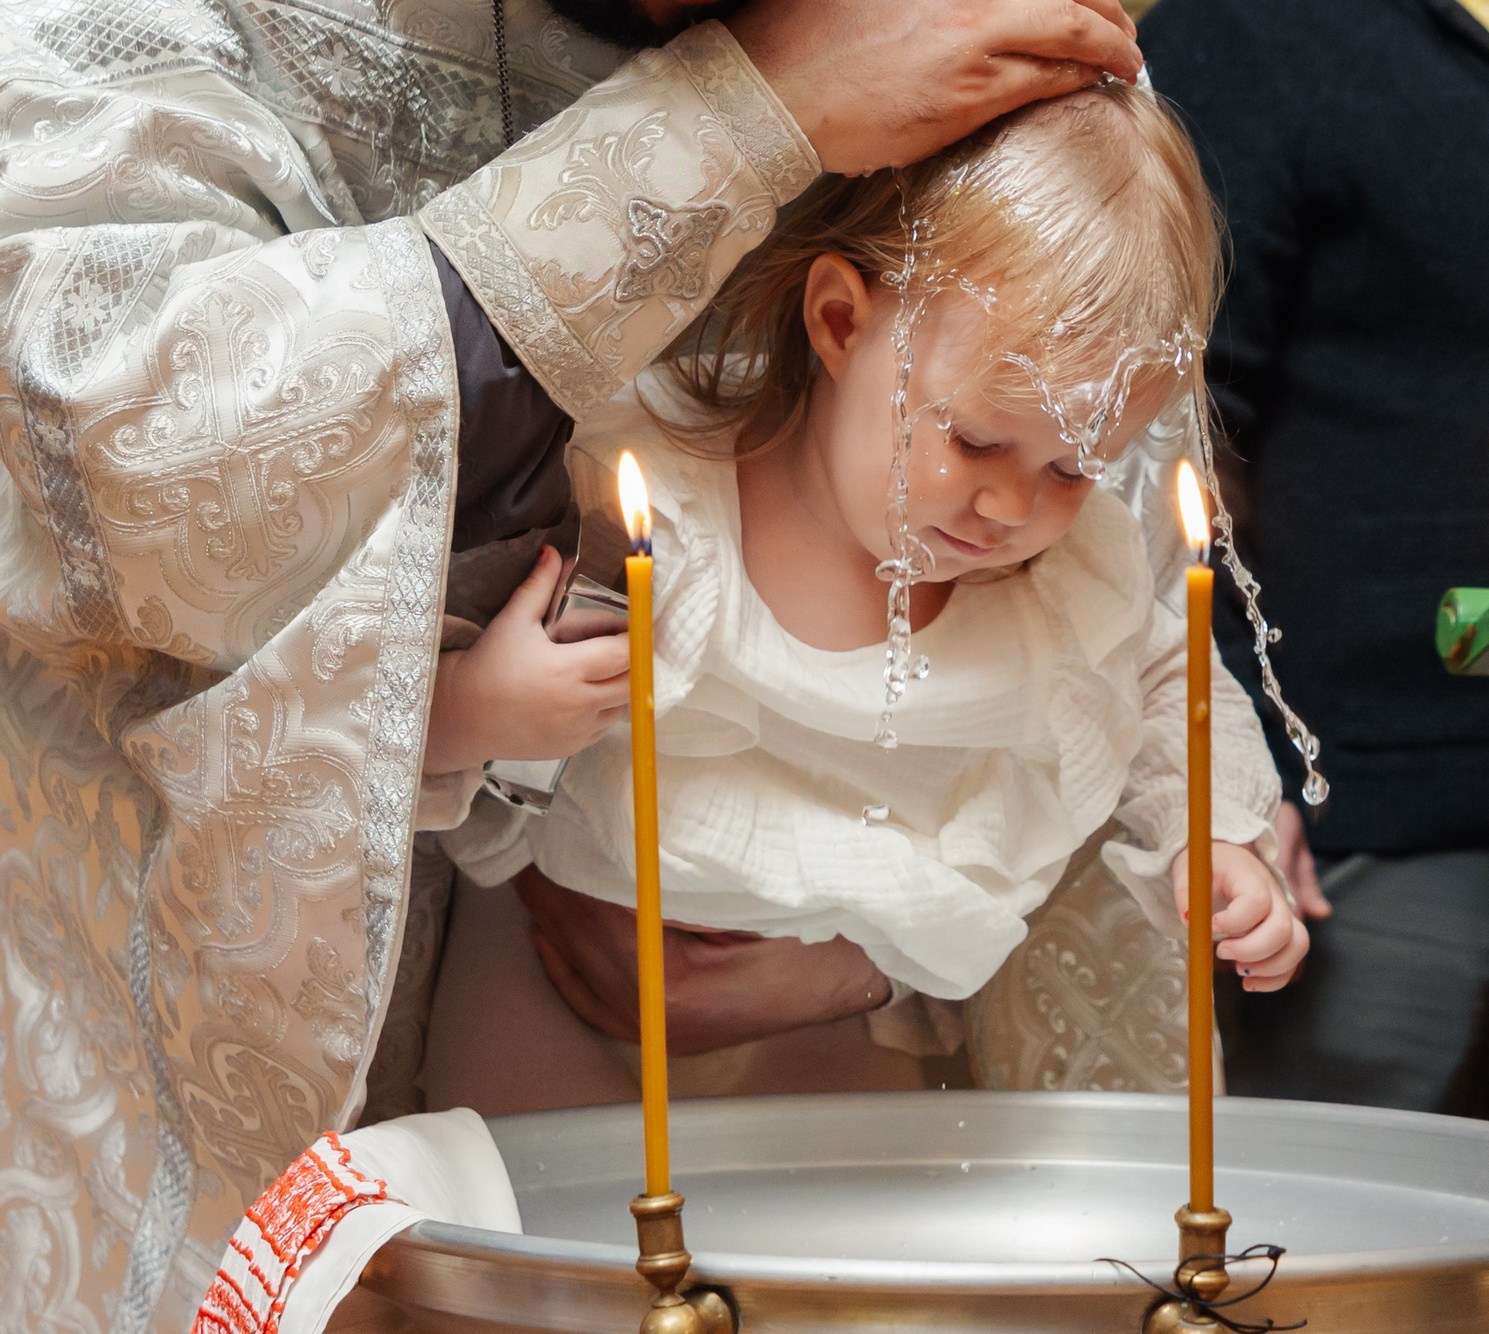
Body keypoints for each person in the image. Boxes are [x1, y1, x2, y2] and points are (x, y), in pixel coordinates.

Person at [0, 0, 1143, 1324]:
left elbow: (1082, 560)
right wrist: (741, 121)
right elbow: (105, 464)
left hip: (794, 1120)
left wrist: (866, 953)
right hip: (190, 1101)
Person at [418, 82, 1304, 1112]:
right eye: (973, 438)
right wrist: (475, 707)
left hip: (844, 1030)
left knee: (830, 1258)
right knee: (557, 1253)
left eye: (1074, 469)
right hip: (555, 992)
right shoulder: (652, 504)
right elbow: (372, 717)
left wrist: (1210, 839)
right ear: (840, 319)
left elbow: (1165, 684)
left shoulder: (1055, 575)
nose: (1009, 503)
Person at [1140, 0, 1489, 1119]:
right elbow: (1162, 426)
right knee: (1370, 1266)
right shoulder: (1252, 32)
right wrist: (1238, 759)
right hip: (1374, 830)